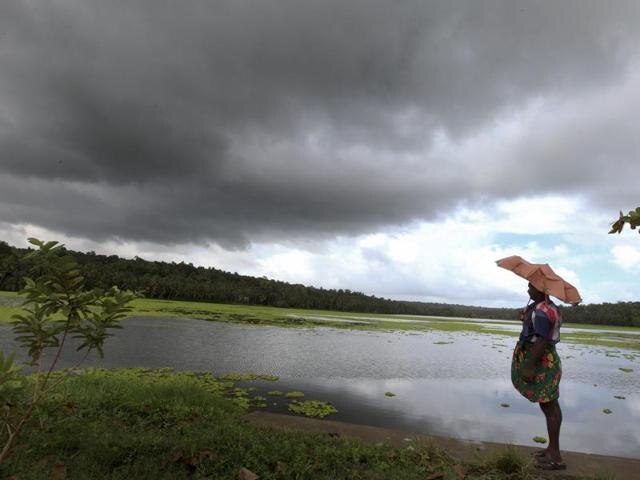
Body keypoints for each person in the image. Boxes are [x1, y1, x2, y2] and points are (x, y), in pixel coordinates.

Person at [511, 282, 565, 470]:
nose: (528, 290)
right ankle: (552, 448)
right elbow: (538, 331)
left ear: (542, 290)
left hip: (542, 361)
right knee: (549, 404)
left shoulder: (541, 311)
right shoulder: (545, 308)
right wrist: (526, 318)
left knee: (550, 406)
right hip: (547, 360)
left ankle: (556, 458)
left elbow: (541, 340)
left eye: (531, 287)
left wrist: (528, 366)